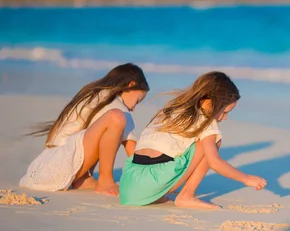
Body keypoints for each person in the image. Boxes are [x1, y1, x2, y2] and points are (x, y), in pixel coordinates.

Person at [119, 71, 266, 209]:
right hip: (153, 182)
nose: (225, 117)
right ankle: (186, 195)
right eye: (225, 111)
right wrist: (246, 178)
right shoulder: (206, 120)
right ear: (212, 102)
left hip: (129, 184)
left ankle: (157, 194)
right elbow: (214, 162)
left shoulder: (173, 107)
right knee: (213, 142)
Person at [20, 63, 149, 196]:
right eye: (137, 101)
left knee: (107, 128)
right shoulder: (115, 105)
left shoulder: (97, 94)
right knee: (116, 118)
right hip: (56, 168)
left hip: (45, 166)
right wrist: (148, 182)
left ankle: (84, 178)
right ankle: (105, 180)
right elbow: (131, 151)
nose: (133, 108)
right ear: (130, 85)